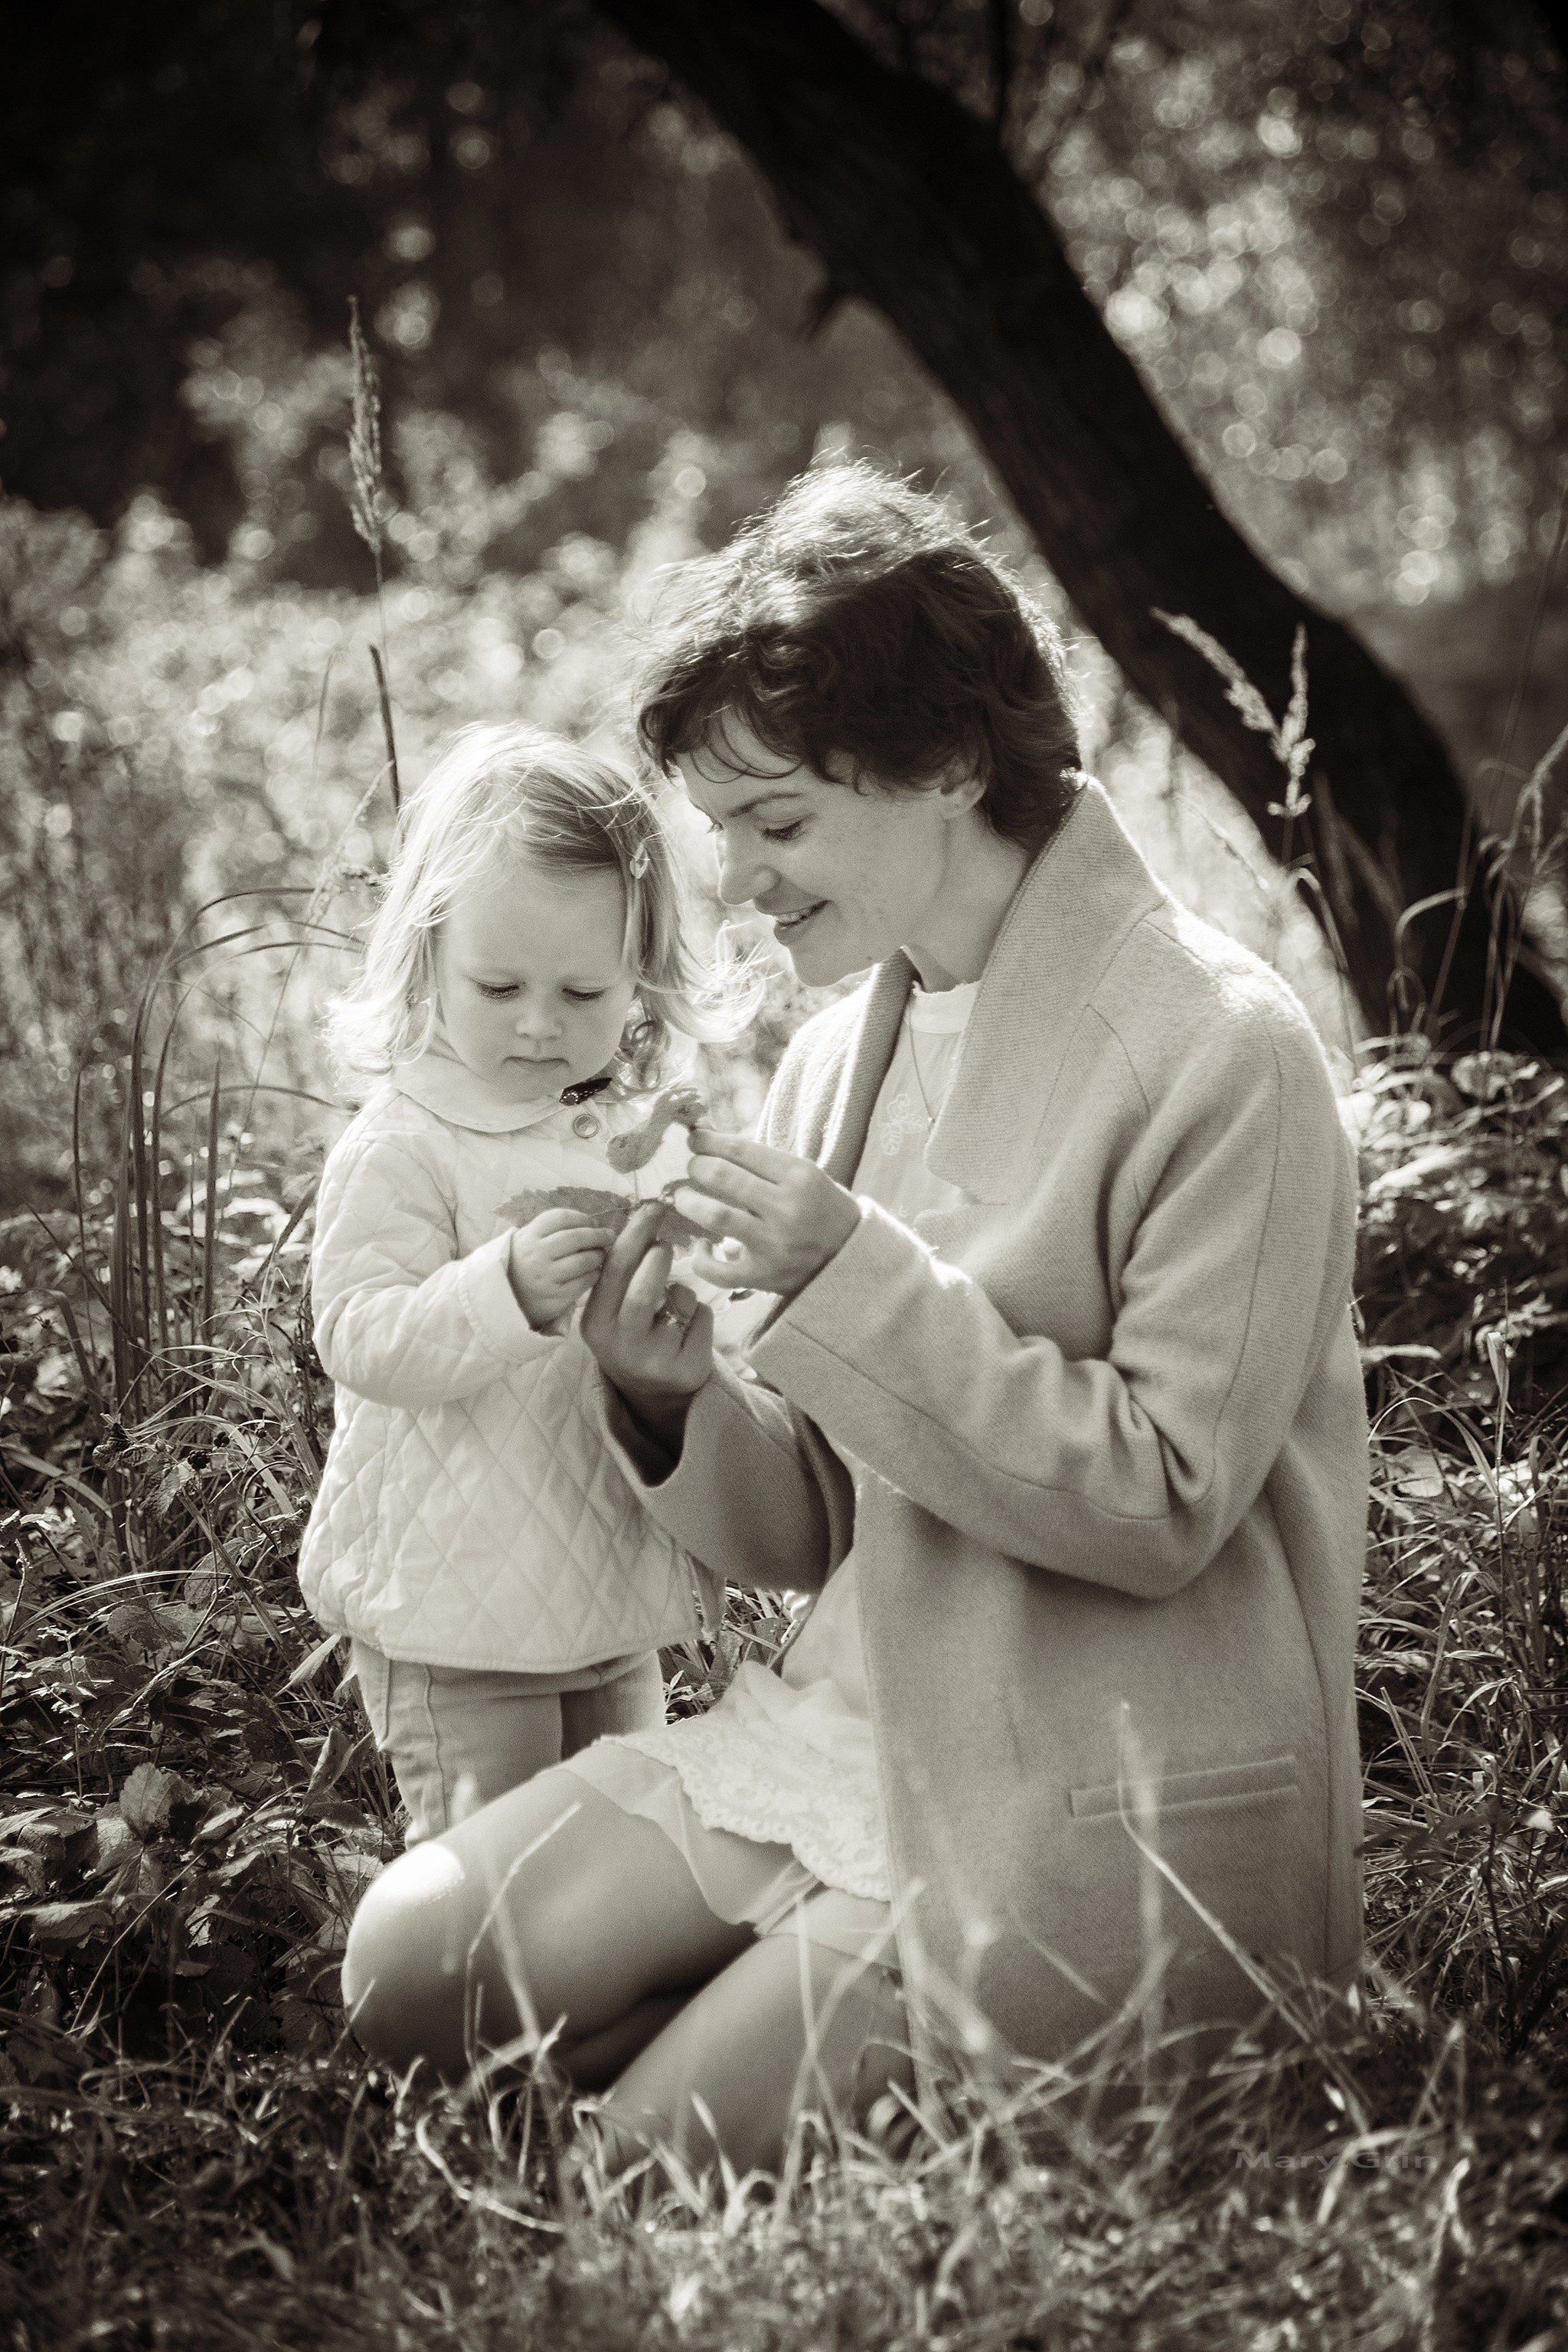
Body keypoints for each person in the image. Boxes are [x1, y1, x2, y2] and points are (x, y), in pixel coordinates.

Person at [341, 469, 1368, 2177]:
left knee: (643, 2170)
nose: (734, 886)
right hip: (848, 1727)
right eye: (725, 831)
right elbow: (819, 1525)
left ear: (952, 766)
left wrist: (851, 1283)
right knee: (403, 1964)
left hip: (1079, 1770)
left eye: (779, 825)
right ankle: (745, 2016)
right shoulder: (842, 1048)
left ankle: (737, 2053)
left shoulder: (1225, 1053)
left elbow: (1162, 1502)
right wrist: (671, 1401)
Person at [298, 724, 733, 1845]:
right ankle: (478, 2025)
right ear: (427, 953)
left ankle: (599, 2026)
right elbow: (359, 1334)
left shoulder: (617, 1138)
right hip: (456, 1615)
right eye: (499, 987)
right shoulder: (408, 1140)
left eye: (585, 992)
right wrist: (502, 1290)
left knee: (614, 1864)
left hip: (603, 1597)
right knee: (493, 1886)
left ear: (640, 981)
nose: (542, 1025)